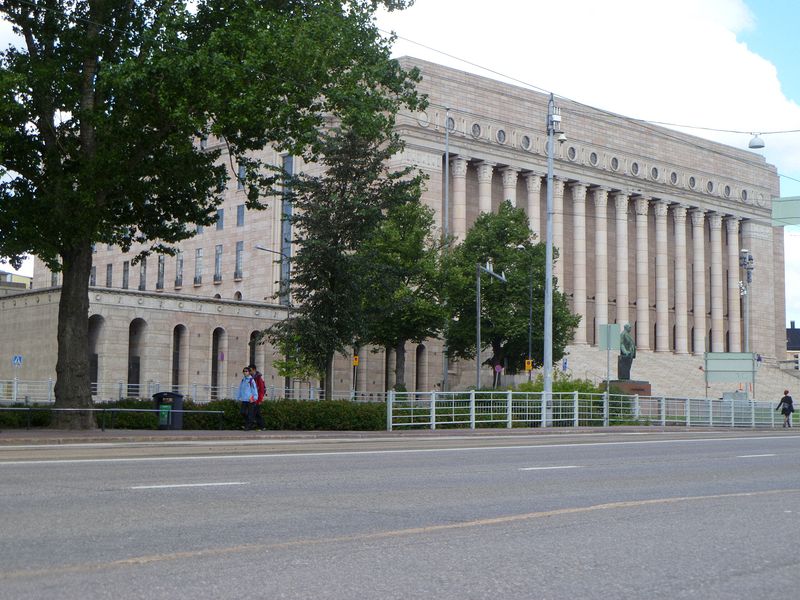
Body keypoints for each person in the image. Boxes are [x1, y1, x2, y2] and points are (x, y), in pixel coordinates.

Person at [248, 363, 267, 431]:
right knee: (256, 413)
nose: (249, 372)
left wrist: (260, 400)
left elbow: (261, 390)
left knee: (255, 413)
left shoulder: (258, 378)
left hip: (257, 399)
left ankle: (251, 426)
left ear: (254, 370)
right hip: (252, 398)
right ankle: (261, 426)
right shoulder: (251, 378)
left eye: (250, 370)